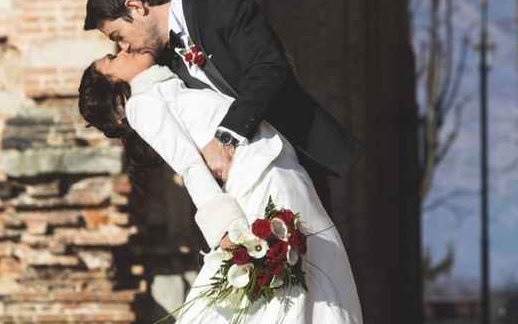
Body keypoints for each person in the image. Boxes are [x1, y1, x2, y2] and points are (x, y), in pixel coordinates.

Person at [78, 50, 363, 323]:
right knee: (294, 294)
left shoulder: (171, 86)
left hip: (281, 172)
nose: (124, 50)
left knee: (318, 281)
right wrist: (230, 231)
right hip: (260, 185)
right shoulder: (141, 104)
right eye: (112, 59)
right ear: (116, 101)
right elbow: (189, 166)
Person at [83, 0, 364, 216]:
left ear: (136, 8)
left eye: (118, 36)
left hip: (296, 155)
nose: (124, 47)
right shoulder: (160, 66)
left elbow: (269, 69)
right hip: (244, 190)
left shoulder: (219, 5)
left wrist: (225, 138)